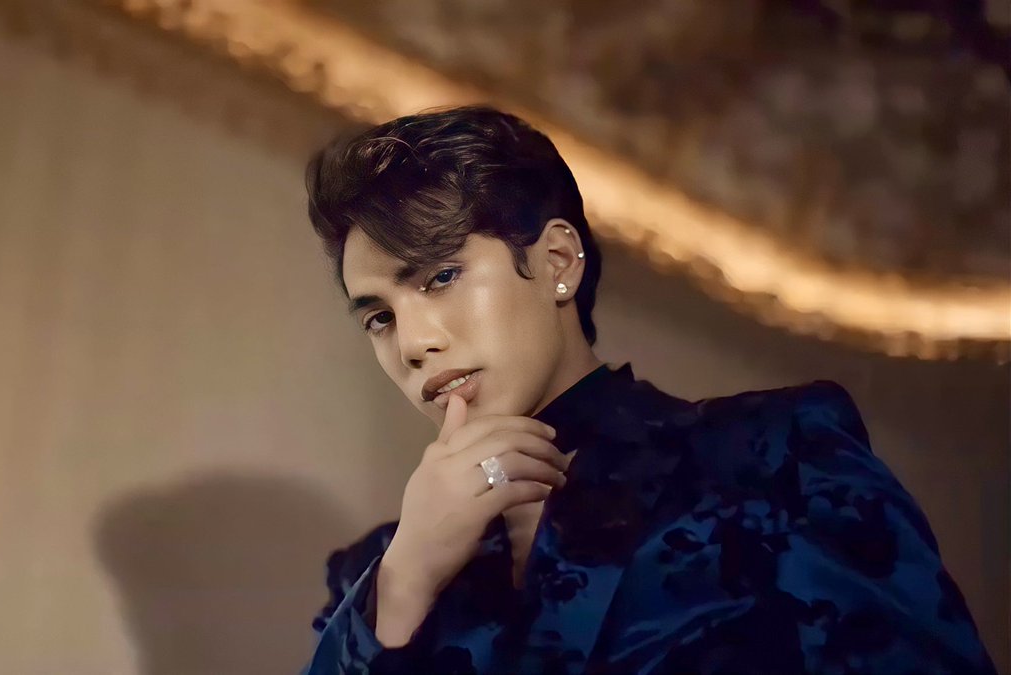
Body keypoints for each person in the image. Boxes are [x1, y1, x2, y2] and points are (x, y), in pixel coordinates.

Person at [298, 105, 994, 674]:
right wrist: (407, 578)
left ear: (558, 261)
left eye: (441, 277)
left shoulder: (775, 457)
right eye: (380, 317)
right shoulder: (378, 572)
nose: (413, 342)